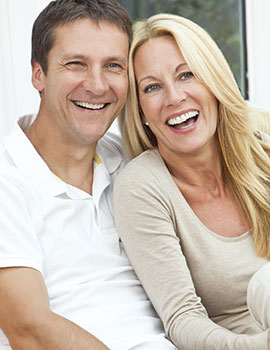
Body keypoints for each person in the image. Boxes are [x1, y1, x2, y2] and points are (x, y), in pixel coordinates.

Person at [0, 2, 177, 349]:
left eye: (113, 66)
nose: (97, 86)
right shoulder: (8, 181)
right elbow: (29, 330)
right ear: (39, 73)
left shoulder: (131, 160)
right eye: (76, 64)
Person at [113, 13, 270, 350]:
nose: (174, 97)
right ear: (140, 110)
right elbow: (182, 318)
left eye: (186, 75)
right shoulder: (143, 186)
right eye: (152, 87)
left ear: (213, 81)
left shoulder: (260, 141)